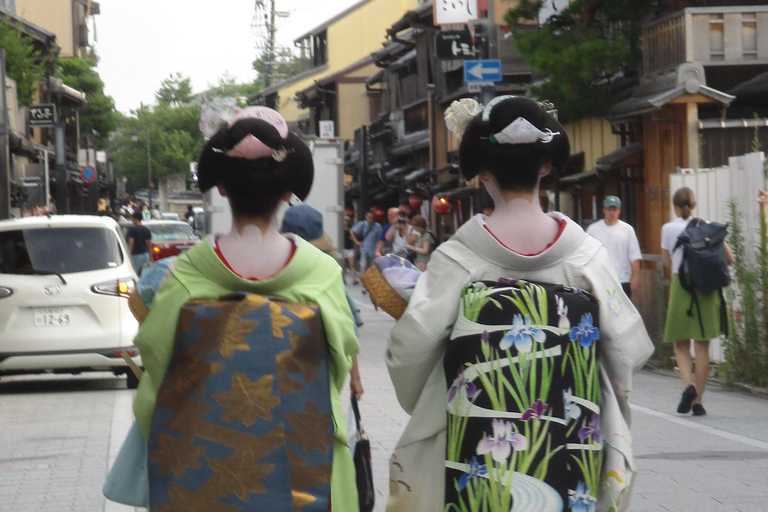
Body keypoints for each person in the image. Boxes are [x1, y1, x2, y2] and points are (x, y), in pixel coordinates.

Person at [385, 96, 654, 512]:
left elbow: (410, 352)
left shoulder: (457, 259)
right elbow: (626, 353)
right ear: (546, 166)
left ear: (483, 171)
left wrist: (446, 396)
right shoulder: (587, 257)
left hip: (476, 452)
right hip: (568, 448)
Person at [129, 107, 359, 511]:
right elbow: (337, 365)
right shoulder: (321, 274)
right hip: (306, 465)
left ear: (221, 188)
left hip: (202, 470)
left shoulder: (186, 276)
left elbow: (156, 364)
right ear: (288, 192)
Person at [662, 187, 734, 417]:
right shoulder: (709, 226)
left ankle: (687, 386)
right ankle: (698, 402)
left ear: (675, 206)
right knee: (702, 346)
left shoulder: (668, 229)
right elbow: (729, 259)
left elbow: (666, 262)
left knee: (681, 344)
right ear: (694, 205)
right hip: (706, 287)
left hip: (680, 286)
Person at [281, 203, 364, 397]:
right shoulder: (329, 276)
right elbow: (348, 332)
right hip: (317, 370)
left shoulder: (269, 272)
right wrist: (356, 379)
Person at [586, 195, 643, 298]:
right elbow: (586, 254)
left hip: (622, 279)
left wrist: (635, 277)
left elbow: (634, 256)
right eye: (609, 209)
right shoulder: (593, 229)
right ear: (604, 210)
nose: (611, 213)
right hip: (600, 279)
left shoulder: (627, 230)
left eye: (614, 209)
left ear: (619, 211)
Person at [126, 210, 152, 276]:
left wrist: (128, 255)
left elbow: (131, 243)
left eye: (133, 219)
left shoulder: (132, 229)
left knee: (134, 273)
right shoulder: (146, 229)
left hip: (136, 255)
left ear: (136, 219)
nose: (132, 220)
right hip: (145, 254)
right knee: (145, 274)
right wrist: (150, 256)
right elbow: (149, 244)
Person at [343, 216, 359, 285]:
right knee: (343, 265)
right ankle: (343, 279)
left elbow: (353, 239)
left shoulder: (350, 230)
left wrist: (355, 240)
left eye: (347, 221)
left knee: (352, 264)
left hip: (350, 249)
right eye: (345, 220)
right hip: (343, 249)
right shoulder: (340, 230)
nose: (346, 222)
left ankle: (354, 279)